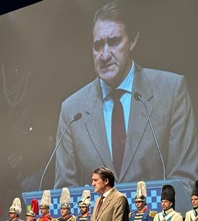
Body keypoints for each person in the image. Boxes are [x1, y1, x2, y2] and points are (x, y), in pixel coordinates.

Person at [54, 0, 198, 199]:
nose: (104, 55)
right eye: (98, 45)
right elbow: (65, 194)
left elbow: (185, 178)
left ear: (132, 41)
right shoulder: (72, 110)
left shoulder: (171, 91)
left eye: (113, 42)